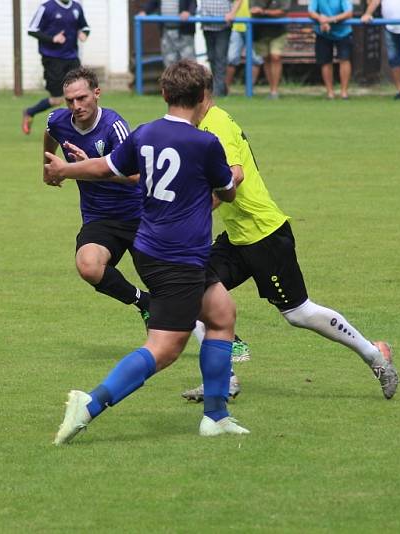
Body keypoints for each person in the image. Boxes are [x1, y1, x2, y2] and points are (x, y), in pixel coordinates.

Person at [45, 60, 249, 445]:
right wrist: (223, 181)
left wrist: (65, 170)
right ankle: (88, 406)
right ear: (203, 98)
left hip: (153, 246)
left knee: (222, 313)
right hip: (178, 255)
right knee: (165, 349)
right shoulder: (206, 143)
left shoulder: (145, 133)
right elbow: (228, 192)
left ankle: (217, 416)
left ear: (165, 94)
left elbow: (108, 168)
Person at [181, 69, 399, 402]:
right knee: (190, 293)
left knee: (299, 313)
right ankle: (224, 380)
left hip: (265, 234)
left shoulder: (216, 124)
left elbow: (235, 176)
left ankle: (375, 356)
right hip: (238, 237)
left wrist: (196, 211)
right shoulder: (206, 124)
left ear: (199, 95)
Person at [43, 67, 151, 326]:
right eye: (70, 100)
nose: (76, 105)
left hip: (140, 216)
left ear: (97, 93)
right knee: (88, 265)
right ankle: (144, 303)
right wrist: (47, 168)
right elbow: (49, 132)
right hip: (99, 218)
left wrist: (91, 166)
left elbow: (137, 176)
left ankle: (227, 335)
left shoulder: (114, 127)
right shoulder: (59, 121)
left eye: (82, 98)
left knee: (169, 280)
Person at [22, 0, 90, 135]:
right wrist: (52, 38)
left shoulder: (76, 7)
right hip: (52, 59)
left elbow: (85, 26)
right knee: (57, 100)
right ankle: (30, 112)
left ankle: (78, 129)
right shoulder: (46, 8)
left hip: (72, 57)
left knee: (80, 92)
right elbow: (32, 30)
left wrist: (84, 34)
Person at [308, 0, 354, 99]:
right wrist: (321, 18)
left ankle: (344, 92)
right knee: (325, 61)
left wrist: (331, 19)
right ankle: (330, 92)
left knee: (344, 59)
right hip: (323, 33)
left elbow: (349, 13)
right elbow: (311, 12)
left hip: (343, 32)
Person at [250, 0, 293, 99]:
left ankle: (274, 90)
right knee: (266, 58)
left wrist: (264, 12)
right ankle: (272, 89)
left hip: (279, 31)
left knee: (275, 57)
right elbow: (252, 10)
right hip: (260, 32)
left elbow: (283, 11)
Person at [201, 0, 243, 96]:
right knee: (211, 57)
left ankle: (218, 91)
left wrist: (232, 13)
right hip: (207, 26)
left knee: (220, 58)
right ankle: (219, 88)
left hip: (223, 26)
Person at [139, 0, 198, 67]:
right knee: (169, 63)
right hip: (166, 32)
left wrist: (189, 12)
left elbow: (193, 3)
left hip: (184, 32)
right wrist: (144, 11)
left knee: (188, 63)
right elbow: (152, 3)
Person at [226, 0, 266, 92]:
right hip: (237, 26)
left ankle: (250, 90)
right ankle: (225, 89)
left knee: (256, 59)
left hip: (255, 26)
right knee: (231, 58)